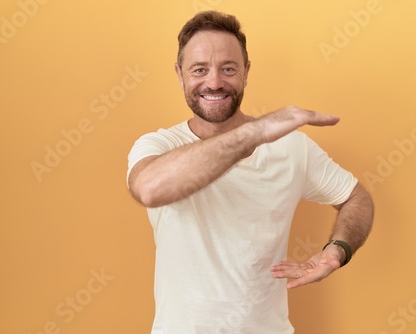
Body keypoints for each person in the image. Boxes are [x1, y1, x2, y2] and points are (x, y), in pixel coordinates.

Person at [127, 10, 374, 333]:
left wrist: (337, 250)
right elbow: (149, 189)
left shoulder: (291, 147)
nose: (214, 82)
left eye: (228, 69)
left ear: (246, 72)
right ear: (179, 74)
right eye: (199, 69)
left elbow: (357, 198)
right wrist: (255, 133)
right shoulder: (159, 145)